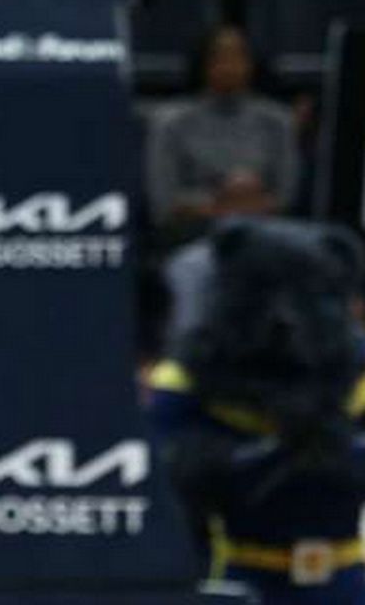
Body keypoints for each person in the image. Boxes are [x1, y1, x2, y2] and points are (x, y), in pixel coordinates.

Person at [149, 218, 365, 604]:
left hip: (343, 572)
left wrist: (334, 449)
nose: (283, 315)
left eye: (303, 295)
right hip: (238, 573)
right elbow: (164, 470)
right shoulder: (189, 377)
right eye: (263, 291)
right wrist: (259, 456)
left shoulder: (356, 375)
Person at [147, 25, 300, 239]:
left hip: (265, 238)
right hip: (194, 237)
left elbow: (286, 199)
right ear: (203, 64)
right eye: (220, 57)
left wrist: (241, 206)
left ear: (251, 63)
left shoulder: (278, 121)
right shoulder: (170, 123)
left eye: (238, 57)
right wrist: (219, 200)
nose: (229, 66)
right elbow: (164, 206)